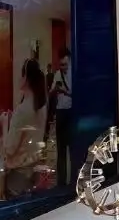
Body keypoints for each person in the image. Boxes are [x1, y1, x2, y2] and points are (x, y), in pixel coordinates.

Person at [2, 60, 48, 198]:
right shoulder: (41, 105)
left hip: (18, 176)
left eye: (21, 75)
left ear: (26, 79)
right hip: (33, 170)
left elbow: (9, 149)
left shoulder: (22, 111)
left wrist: (5, 124)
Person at [50, 47, 73, 189]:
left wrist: (65, 91)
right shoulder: (57, 74)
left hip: (71, 112)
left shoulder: (74, 74)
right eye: (61, 65)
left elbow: (76, 94)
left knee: (72, 147)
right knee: (61, 149)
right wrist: (55, 90)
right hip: (60, 112)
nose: (63, 67)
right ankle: (61, 183)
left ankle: (74, 180)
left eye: (65, 64)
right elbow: (51, 92)